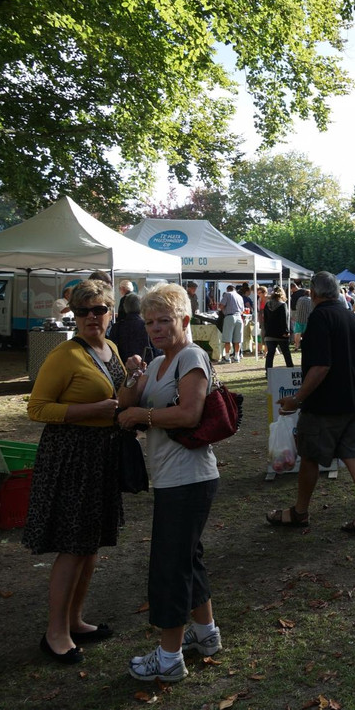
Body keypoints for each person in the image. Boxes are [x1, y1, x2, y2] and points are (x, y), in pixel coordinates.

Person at [116, 283, 221, 683]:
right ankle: (206, 635)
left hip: (189, 477)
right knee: (187, 559)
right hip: (171, 478)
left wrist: (144, 417)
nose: (156, 328)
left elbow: (191, 414)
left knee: (170, 567)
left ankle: (169, 657)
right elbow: (125, 402)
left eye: (164, 320)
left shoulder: (191, 356)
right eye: (149, 322)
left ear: (184, 320)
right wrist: (133, 377)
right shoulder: (160, 362)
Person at [24, 279, 125, 665]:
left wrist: (132, 376)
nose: (90, 318)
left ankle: (76, 619)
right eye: (82, 311)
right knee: (72, 546)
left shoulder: (111, 348)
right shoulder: (64, 355)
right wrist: (90, 411)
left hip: (101, 455)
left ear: (109, 312)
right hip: (71, 458)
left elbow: (116, 396)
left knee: (90, 543)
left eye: (98, 310)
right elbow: (36, 409)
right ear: (74, 315)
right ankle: (55, 632)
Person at [265, 271, 355, 534]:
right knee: (352, 455)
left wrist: (297, 399)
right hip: (352, 399)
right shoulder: (351, 318)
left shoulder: (320, 317)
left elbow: (320, 366)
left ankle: (300, 512)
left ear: (314, 293)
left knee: (309, 457)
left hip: (326, 404)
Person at [109, 292, 152, 362]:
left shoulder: (117, 327)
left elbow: (111, 350)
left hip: (123, 366)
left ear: (125, 307)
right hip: (145, 366)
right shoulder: (147, 325)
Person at [263, 287, 294, 368]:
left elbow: (265, 320)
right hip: (281, 334)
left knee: (270, 354)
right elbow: (284, 319)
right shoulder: (283, 305)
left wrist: (266, 331)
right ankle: (290, 369)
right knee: (286, 353)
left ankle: (268, 371)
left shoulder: (267, 305)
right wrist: (286, 331)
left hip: (269, 333)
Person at [218, 284, 244, 363]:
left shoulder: (227, 294)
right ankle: (236, 357)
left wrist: (222, 309)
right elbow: (242, 310)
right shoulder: (240, 297)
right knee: (237, 339)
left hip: (229, 317)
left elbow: (221, 306)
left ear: (228, 289)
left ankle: (227, 357)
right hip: (239, 317)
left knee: (227, 339)